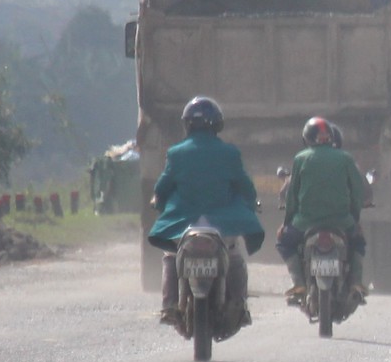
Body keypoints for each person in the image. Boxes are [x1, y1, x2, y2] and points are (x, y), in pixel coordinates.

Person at [146, 96, 264, 324]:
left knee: (171, 257)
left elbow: (162, 188)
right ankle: (239, 305)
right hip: (222, 222)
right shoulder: (229, 153)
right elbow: (245, 187)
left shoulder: (176, 153)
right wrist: (251, 205)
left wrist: (159, 203)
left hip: (183, 222)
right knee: (234, 256)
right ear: (217, 124)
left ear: (187, 124)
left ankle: (169, 306)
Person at [279, 115, 370, 300]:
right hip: (341, 221)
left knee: (284, 242)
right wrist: (354, 218)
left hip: (305, 222)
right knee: (358, 243)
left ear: (307, 138)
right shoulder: (345, 158)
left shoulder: (300, 158)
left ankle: (298, 283)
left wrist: (287, 223)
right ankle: (355, 283)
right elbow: (358, 191)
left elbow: (292, 196)